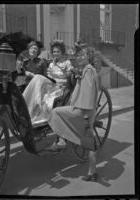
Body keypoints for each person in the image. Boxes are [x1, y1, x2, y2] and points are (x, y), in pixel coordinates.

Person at [47, 43, 99, 181]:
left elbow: (88, 96)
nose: (79, 57)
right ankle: (92, 172)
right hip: (82, 109)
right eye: (78, 55)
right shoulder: (87, 69)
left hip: (83, 112)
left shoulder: (88, 71)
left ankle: (63, 139)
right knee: (89, 141)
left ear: (88, 56)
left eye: (82, 55)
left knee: (56, 112)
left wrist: (87, 119)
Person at [22, 39, 74, 124]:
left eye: (58, 52)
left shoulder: (67, 63)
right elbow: (49, 76)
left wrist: (64, 72)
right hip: (52, 86)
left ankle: (43, 116)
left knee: (39, 79)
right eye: (54, 52)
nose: (55, 53)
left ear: (62, 52)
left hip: (62, 88)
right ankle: (30, 110)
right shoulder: (51, 64)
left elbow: (70, 75)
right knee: (38, 81)